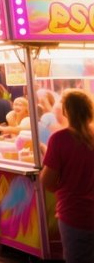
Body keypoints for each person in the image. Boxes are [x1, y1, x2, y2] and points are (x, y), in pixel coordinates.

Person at [40, 89, 94, 263]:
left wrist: (66, 188)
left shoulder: (59, 139)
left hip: (73, 214)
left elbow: (47, 181)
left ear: (65, 111)